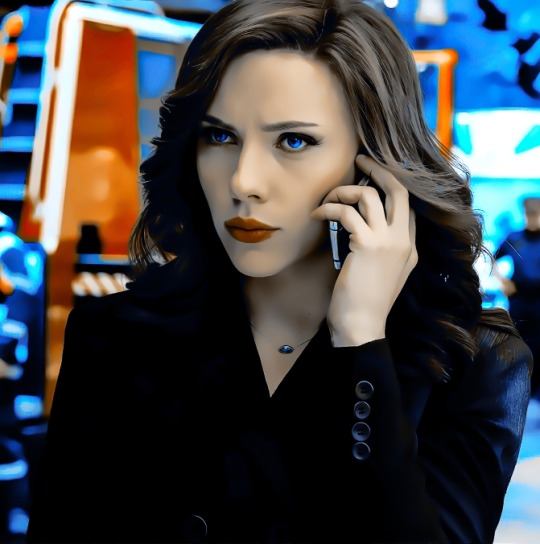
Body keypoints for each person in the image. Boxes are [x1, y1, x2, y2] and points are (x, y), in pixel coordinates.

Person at [26, 1, 533, 543]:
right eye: (220, 137)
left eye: (293, 141)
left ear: (374, 165)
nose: (244, 181)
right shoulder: (114, 335)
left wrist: (361, 337)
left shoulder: (473, 362)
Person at [494, 195, 540, 399]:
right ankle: (518, 385)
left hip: (539, 299)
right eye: (530, 215)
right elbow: (492, 257)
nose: (533, 219)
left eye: (536, 215)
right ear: (524, 215)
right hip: (519, 299)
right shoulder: (514, 238)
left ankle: (536, 389)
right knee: (519, 340)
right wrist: (502, 281)